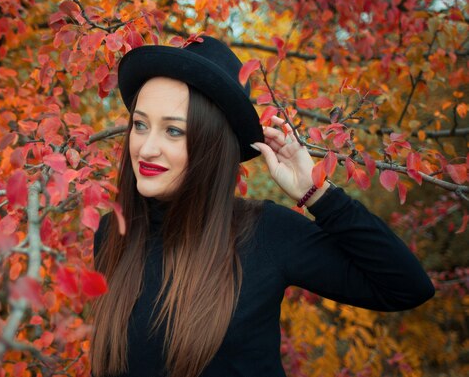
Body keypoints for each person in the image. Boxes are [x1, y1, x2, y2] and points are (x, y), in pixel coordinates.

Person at [90, 36, 434, 377]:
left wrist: (317, 194)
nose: (146, 148)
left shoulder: (264, 233)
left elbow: (405, 287)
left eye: (174, 131)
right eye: (140, 125)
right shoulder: (113, 233)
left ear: (212, 144)